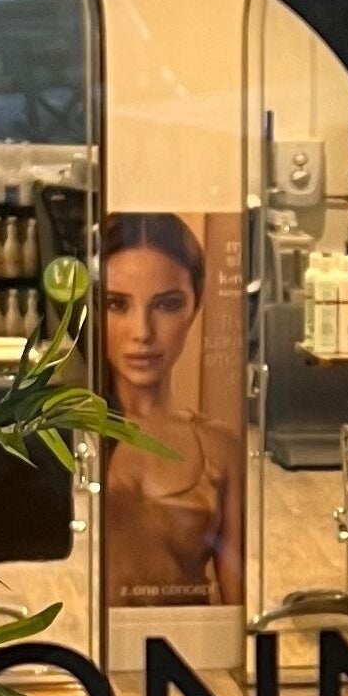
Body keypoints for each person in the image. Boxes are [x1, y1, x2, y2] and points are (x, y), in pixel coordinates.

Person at [99, 212, 245, 606]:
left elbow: (235, 607)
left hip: (185, 641)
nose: (142, 332)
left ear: (195, 306)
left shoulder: (220, 449)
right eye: (116, 304)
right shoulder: (60, 433)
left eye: (167, 304)